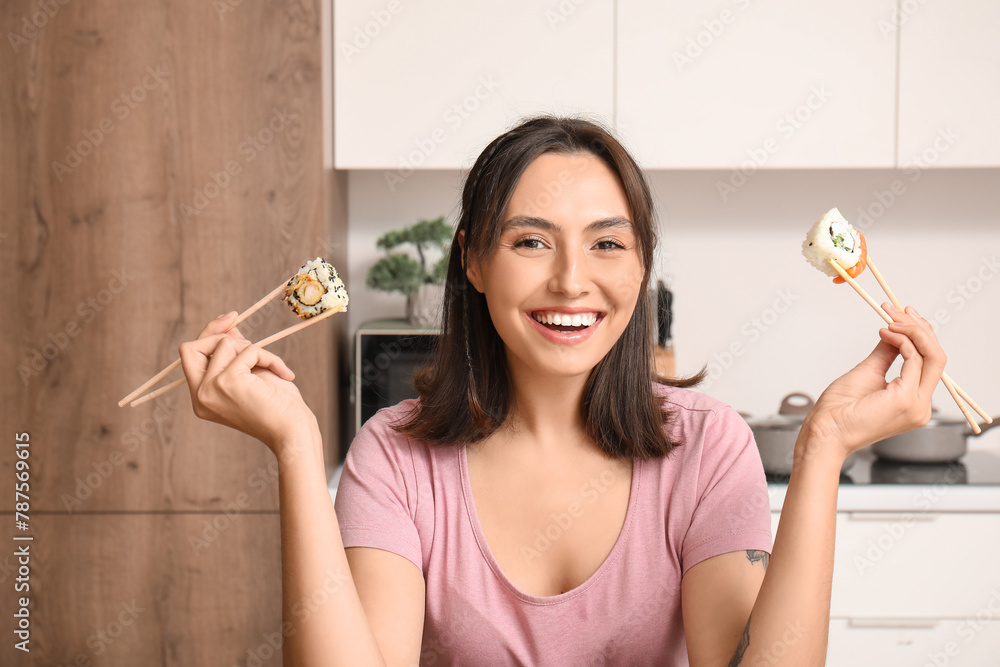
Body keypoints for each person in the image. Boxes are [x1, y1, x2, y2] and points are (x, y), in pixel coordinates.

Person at [179, 116, 946, 666]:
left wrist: (822, 449)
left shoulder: (708, 446)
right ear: (473, 260)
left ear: (642, 267)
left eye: (608, 243)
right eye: (531, 240)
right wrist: (295, 446)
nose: (573, 280)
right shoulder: (395, 456)